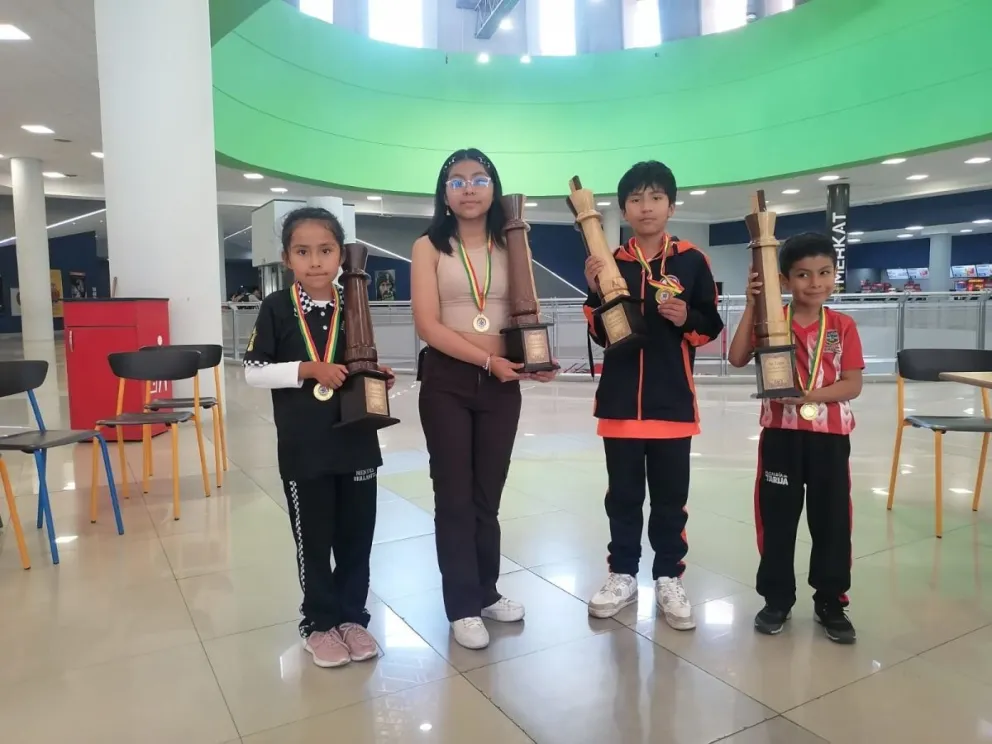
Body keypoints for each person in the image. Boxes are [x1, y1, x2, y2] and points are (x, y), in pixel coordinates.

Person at [411, 148, 556, 650]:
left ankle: (486, 590)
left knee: (486, 497)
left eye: (478, 178)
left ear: (494, 187)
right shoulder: (428, 246)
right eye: (456, 181)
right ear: (444, 194)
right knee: (453, 495)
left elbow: (526, 309)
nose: (468, 188)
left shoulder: (510, 243)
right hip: (449, 380)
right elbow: (428, 325)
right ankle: (461, 606)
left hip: (502, 383)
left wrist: (534, 360)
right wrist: (487, 360)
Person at [243, 207, 395, 667]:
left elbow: (359, 360)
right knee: (315, 537)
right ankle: (319, 622)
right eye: (303, 251)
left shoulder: (354, 303)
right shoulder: (276, 307)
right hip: (304, 447)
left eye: (325, 250)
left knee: (357, 537)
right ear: (287, 258)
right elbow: (254, 374)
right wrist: (309, 369)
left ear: (340, 255)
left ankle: (352, 617)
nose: (315, 261)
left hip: (356, 441)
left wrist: (376, 376)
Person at [583, 160, 723, 630]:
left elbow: (711, 327)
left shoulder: (691, 261)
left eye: (656, 197)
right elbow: (601, 334)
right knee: (621, 497)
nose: (646, 207)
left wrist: (688, 319)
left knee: (669, 499)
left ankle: (668, 576)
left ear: (671, 204)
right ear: (623, 208)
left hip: (672, 403)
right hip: (620, 403)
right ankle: (622, 573)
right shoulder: (610, 262)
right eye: (636, 199)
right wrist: (594, 288)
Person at [727, 232, 863, 644]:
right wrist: (753, 305)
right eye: (803, 275)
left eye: (824, 273)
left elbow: (852, 384)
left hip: (830, 438)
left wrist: (810, 396)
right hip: (781, 437)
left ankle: (830, 600)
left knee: (833, 520)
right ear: (785, 281)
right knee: (778, 520)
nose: (815, 283)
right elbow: (735, 358)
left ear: (835, 275)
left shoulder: (842, 325)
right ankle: (777, 598)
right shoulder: (772, 321)